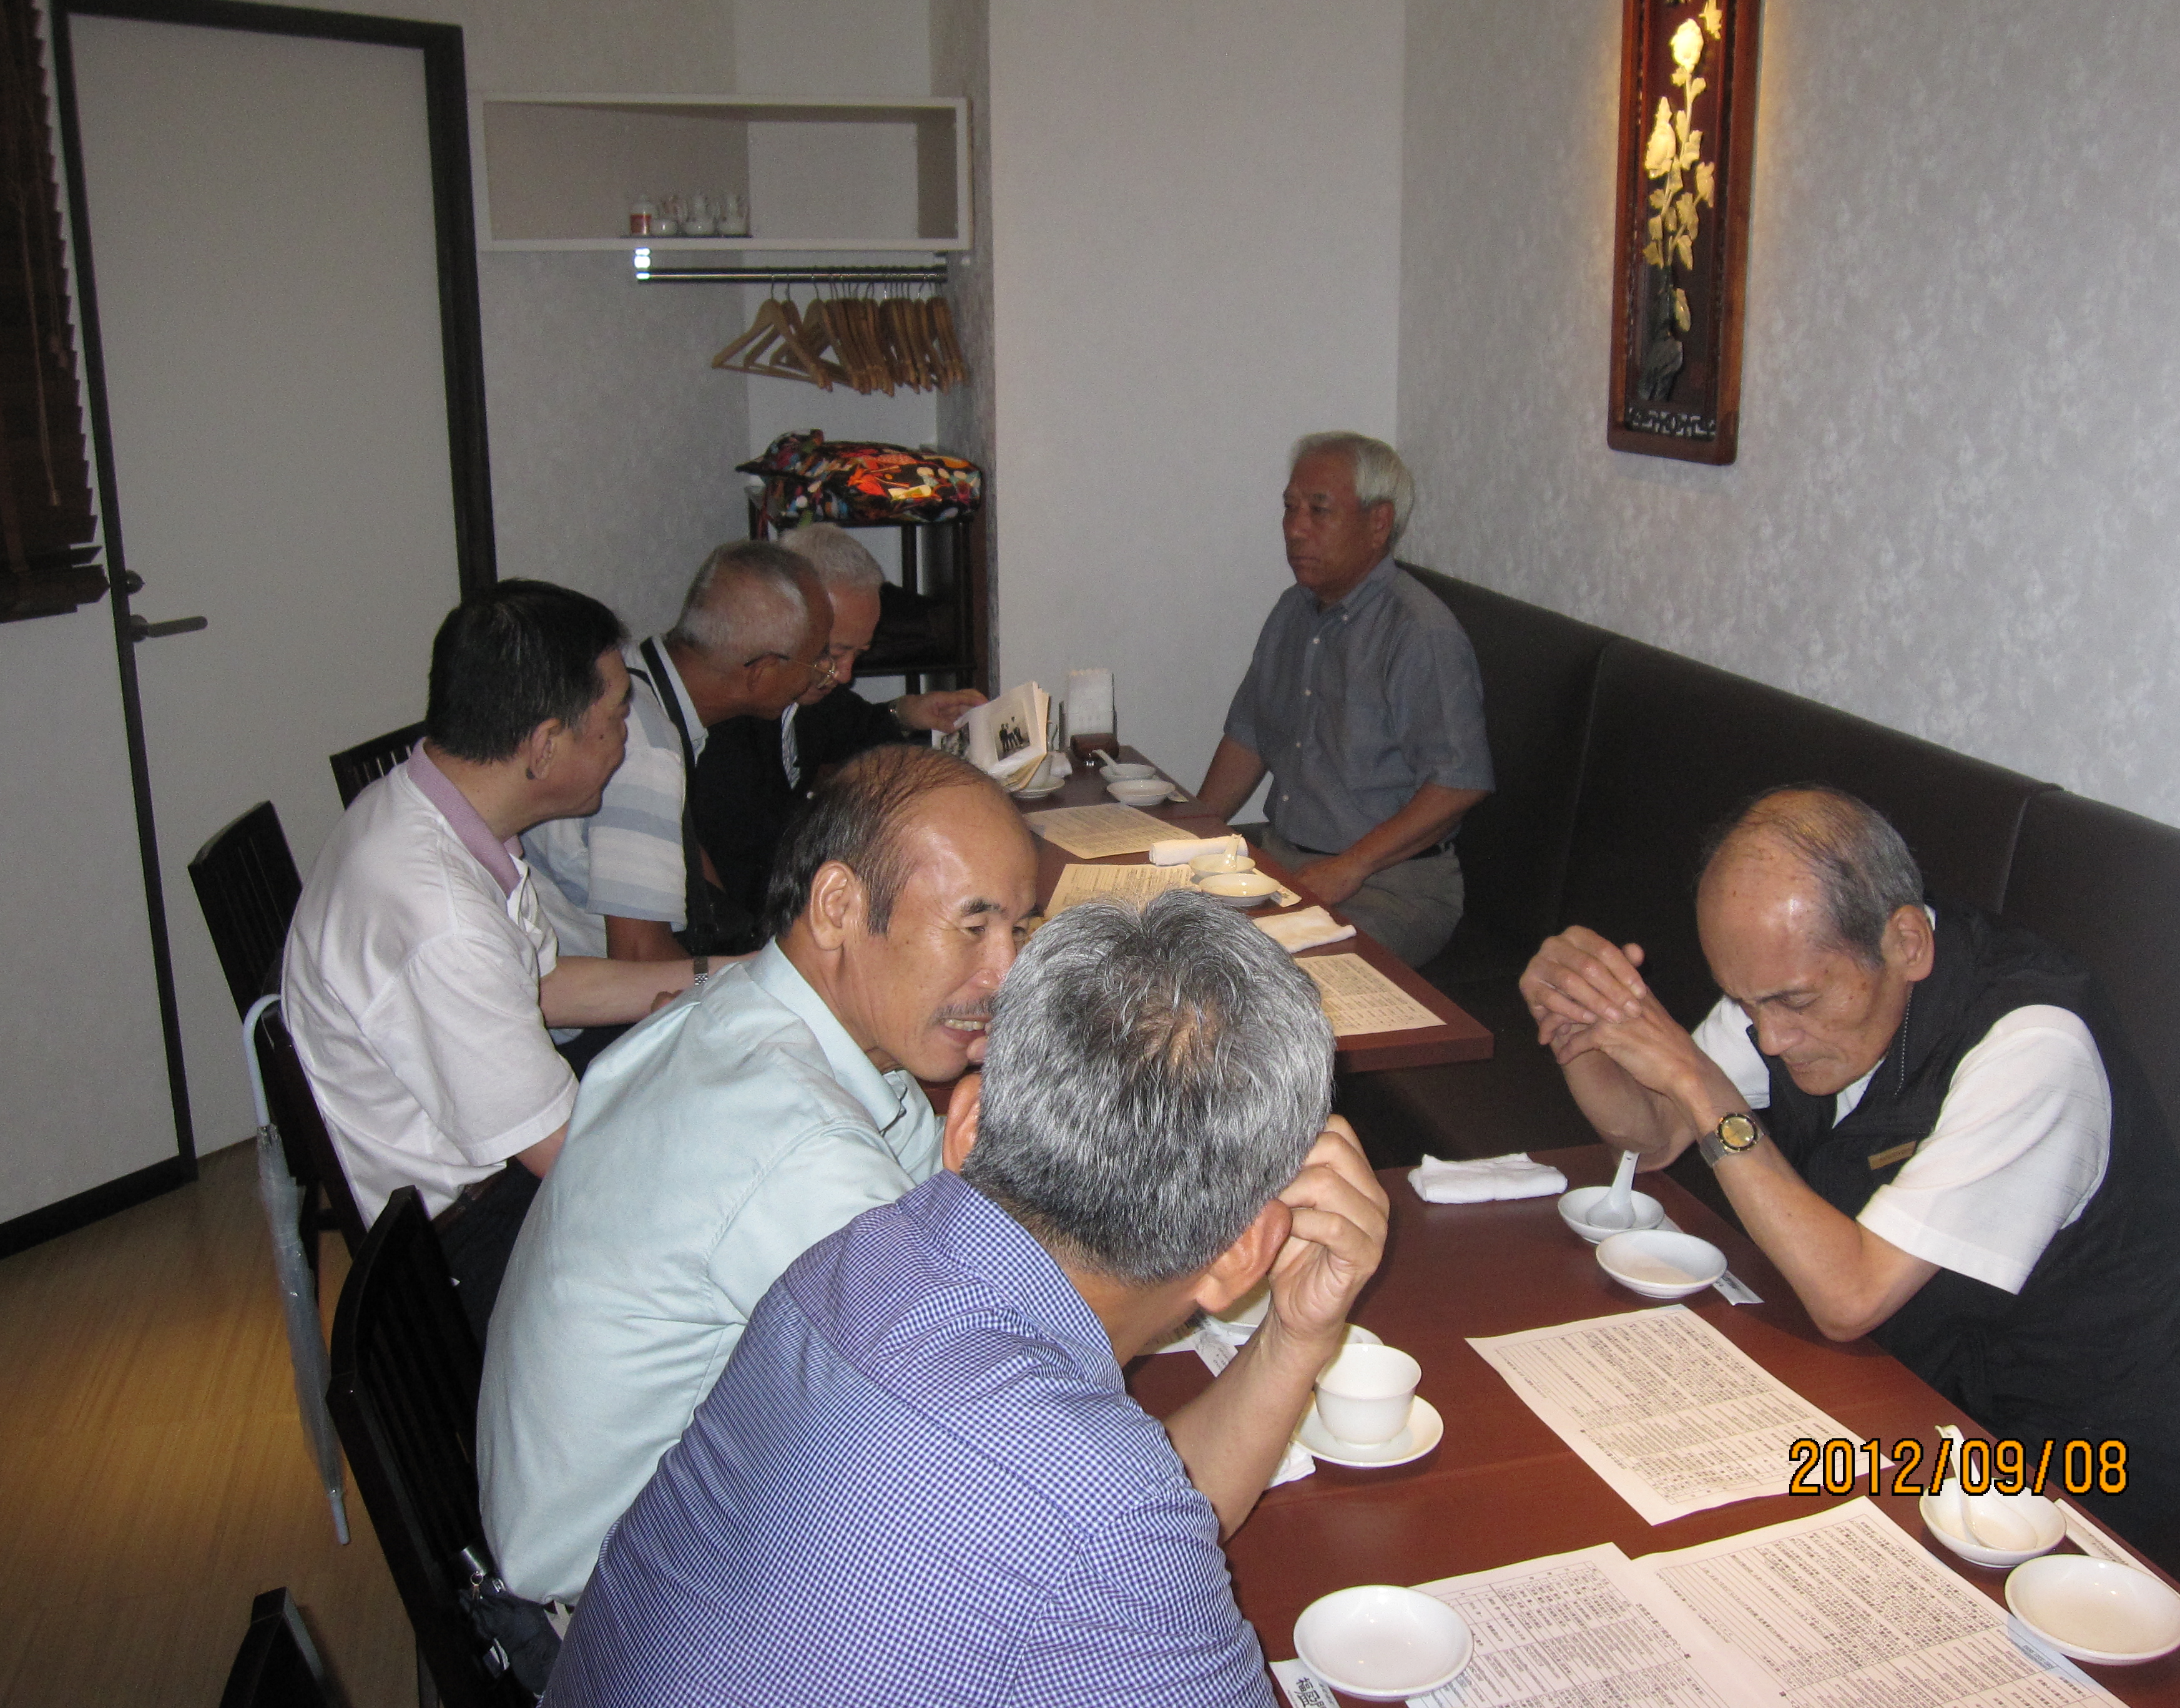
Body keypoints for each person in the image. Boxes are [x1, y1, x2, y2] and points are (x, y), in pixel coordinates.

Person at [543, 890, 1390, 1707]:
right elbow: (1104, 1527)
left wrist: (1295, 1339)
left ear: (967, 1124)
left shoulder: (849, 1260)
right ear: (1243, 1254)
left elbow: (1129, 1521)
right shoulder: (1099, 1513)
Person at [1519, 787, 2180, 1533]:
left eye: (1795, 1004)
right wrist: (1580, 1033)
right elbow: (1654, 1138)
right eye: (1745, 1005)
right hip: (1910, 1393)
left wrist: (1700, 1083)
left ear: (1906, 943)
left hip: (2061, 1464)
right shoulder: (1788, 976)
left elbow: (1850, 1299)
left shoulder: (2034, 1049)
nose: (1770, 1037)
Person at [478, 743, 1038, 1606]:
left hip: (606, 1522)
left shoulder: (755, 1017)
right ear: (839, 906)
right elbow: (985, 1445)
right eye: (974, 926)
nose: (1007, 974)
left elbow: (935, 1191)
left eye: (1020, 930)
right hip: (625, 1612)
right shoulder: (797, 1144)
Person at [283, 581, 716, 1337]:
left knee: (700, 1082)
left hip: (500, 1165)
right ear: (545, 745)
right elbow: (573, 1158)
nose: (625, 737)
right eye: (616, 717)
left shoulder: (430, 807)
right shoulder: (438, 914)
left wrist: (726, 973)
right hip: (462, 1244)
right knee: (725, 1207)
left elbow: (542, 986)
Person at [1196, 432, 1493, 967]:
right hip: (1284, 862)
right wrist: (1193, 833)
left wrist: (1351, 866)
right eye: (1290, 508)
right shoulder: (1292, 611)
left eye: (1319, 510)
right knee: (1156, 925)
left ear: (1378, 523)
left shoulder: (1418, 632)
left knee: (1255, 976)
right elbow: (1249, 738)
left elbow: (1459, 783)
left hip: (1388, 887)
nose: (1295, 528)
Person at [521, 540, 829, 983]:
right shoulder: (641, 745)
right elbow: (639, 959)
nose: (827, 675)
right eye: (816, 661)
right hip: (574, 997)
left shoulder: (632, 670)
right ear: (762, 672)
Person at [691, 522, 984, 913]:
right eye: (832, 652)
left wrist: (909, 711)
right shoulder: (728, 723)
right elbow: (748, 886)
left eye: (858, 654)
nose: (844, 675)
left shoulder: (813, 695)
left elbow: (855, 726)